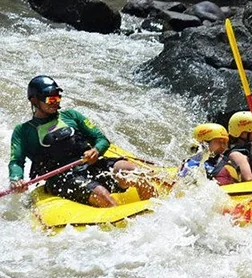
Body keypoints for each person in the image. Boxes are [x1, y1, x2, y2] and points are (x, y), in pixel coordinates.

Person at [8, 75, 156, 207]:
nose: (55, 102)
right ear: (34, 100)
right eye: (50, 99)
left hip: (90, 166)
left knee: (133, 172)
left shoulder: (71, 116)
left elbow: (101, 139)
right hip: (61, 178)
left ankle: (153, 209)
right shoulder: (23, 131)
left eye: (57, 98)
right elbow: (16, 161)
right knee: (102, 195)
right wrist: (16, 179)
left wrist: (96, 151)